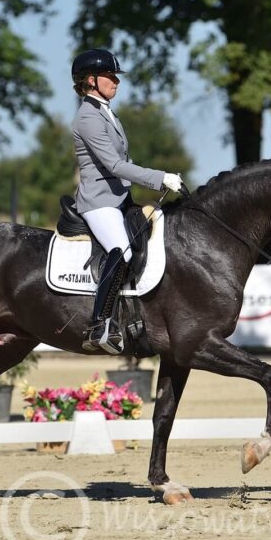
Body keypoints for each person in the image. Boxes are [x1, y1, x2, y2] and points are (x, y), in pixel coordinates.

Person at [71, 48, 183, 354]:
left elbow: (125, 160)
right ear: (90, 81)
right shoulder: (88, 117)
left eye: (115, 76)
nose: (116, 81)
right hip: (99, 201)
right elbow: (115, 166)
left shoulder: (107, 112)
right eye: (110, 75)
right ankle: (99, 325)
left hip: (119, 198)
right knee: (120, 251)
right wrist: (160, 178)